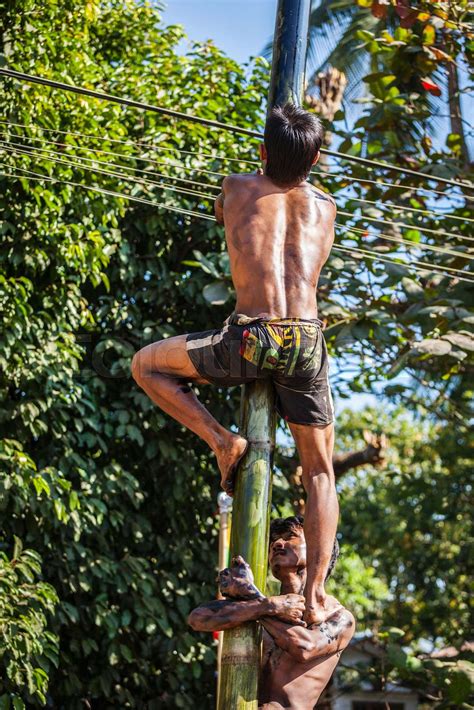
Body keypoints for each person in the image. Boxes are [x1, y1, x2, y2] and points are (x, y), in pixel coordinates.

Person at [131, 103, 337, 623]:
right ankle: (314, 593)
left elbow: (226, 214)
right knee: (320, 473)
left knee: (145, 365)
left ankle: (223, 441)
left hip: (250, 337)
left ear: (263, 152)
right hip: (306, 341)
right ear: (314, 162)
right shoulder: (326, 207)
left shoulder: (236, 185)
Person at [188, 515, 355, 710]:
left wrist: (253, 597)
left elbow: (305, 647)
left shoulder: (339, 616)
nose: (277, 543)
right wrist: (267, 606)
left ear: (318, 549)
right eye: (275, 539)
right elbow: (197, 618)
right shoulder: (260, 607)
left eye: (289, 536)